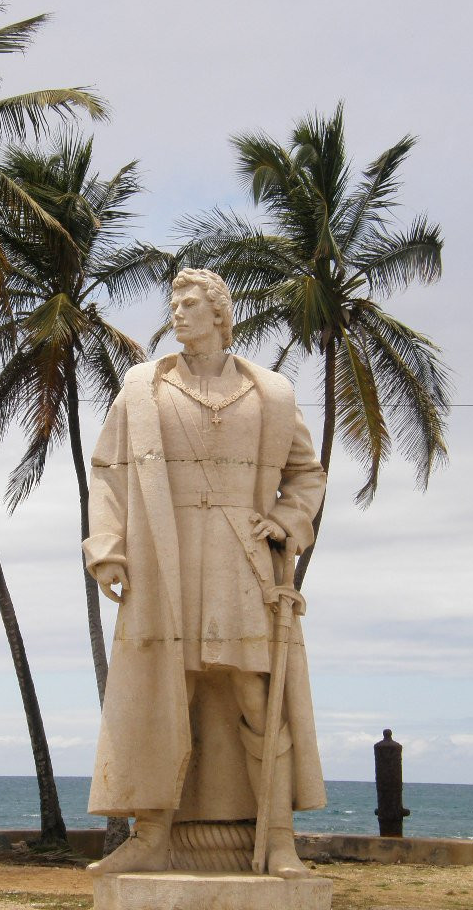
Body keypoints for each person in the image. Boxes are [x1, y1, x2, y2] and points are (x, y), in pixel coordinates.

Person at [83, 268, 327, 878]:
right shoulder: (144, 388)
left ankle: (277, 840)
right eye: (174, 304)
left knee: (255, 693)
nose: (178, 314)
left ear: (219, 313)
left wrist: (287, 519)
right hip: (164, 556)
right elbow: (110, 471)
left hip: (242, 559)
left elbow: (306, 473)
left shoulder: (270, 392)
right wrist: (108, 548)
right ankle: (152, 836)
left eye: (189, 304)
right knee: (168, 694)